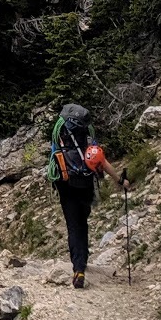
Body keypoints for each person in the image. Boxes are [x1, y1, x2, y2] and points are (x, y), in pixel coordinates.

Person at [48, 102, 127, 288]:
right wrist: (120, 180)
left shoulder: (59, 128)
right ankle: (81, 260)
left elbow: (53, 155)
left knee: (73, 225)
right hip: (85, 183)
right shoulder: (88, 131)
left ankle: (79, 268)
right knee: (82, 222)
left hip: (64, 181)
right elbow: (101, 160)